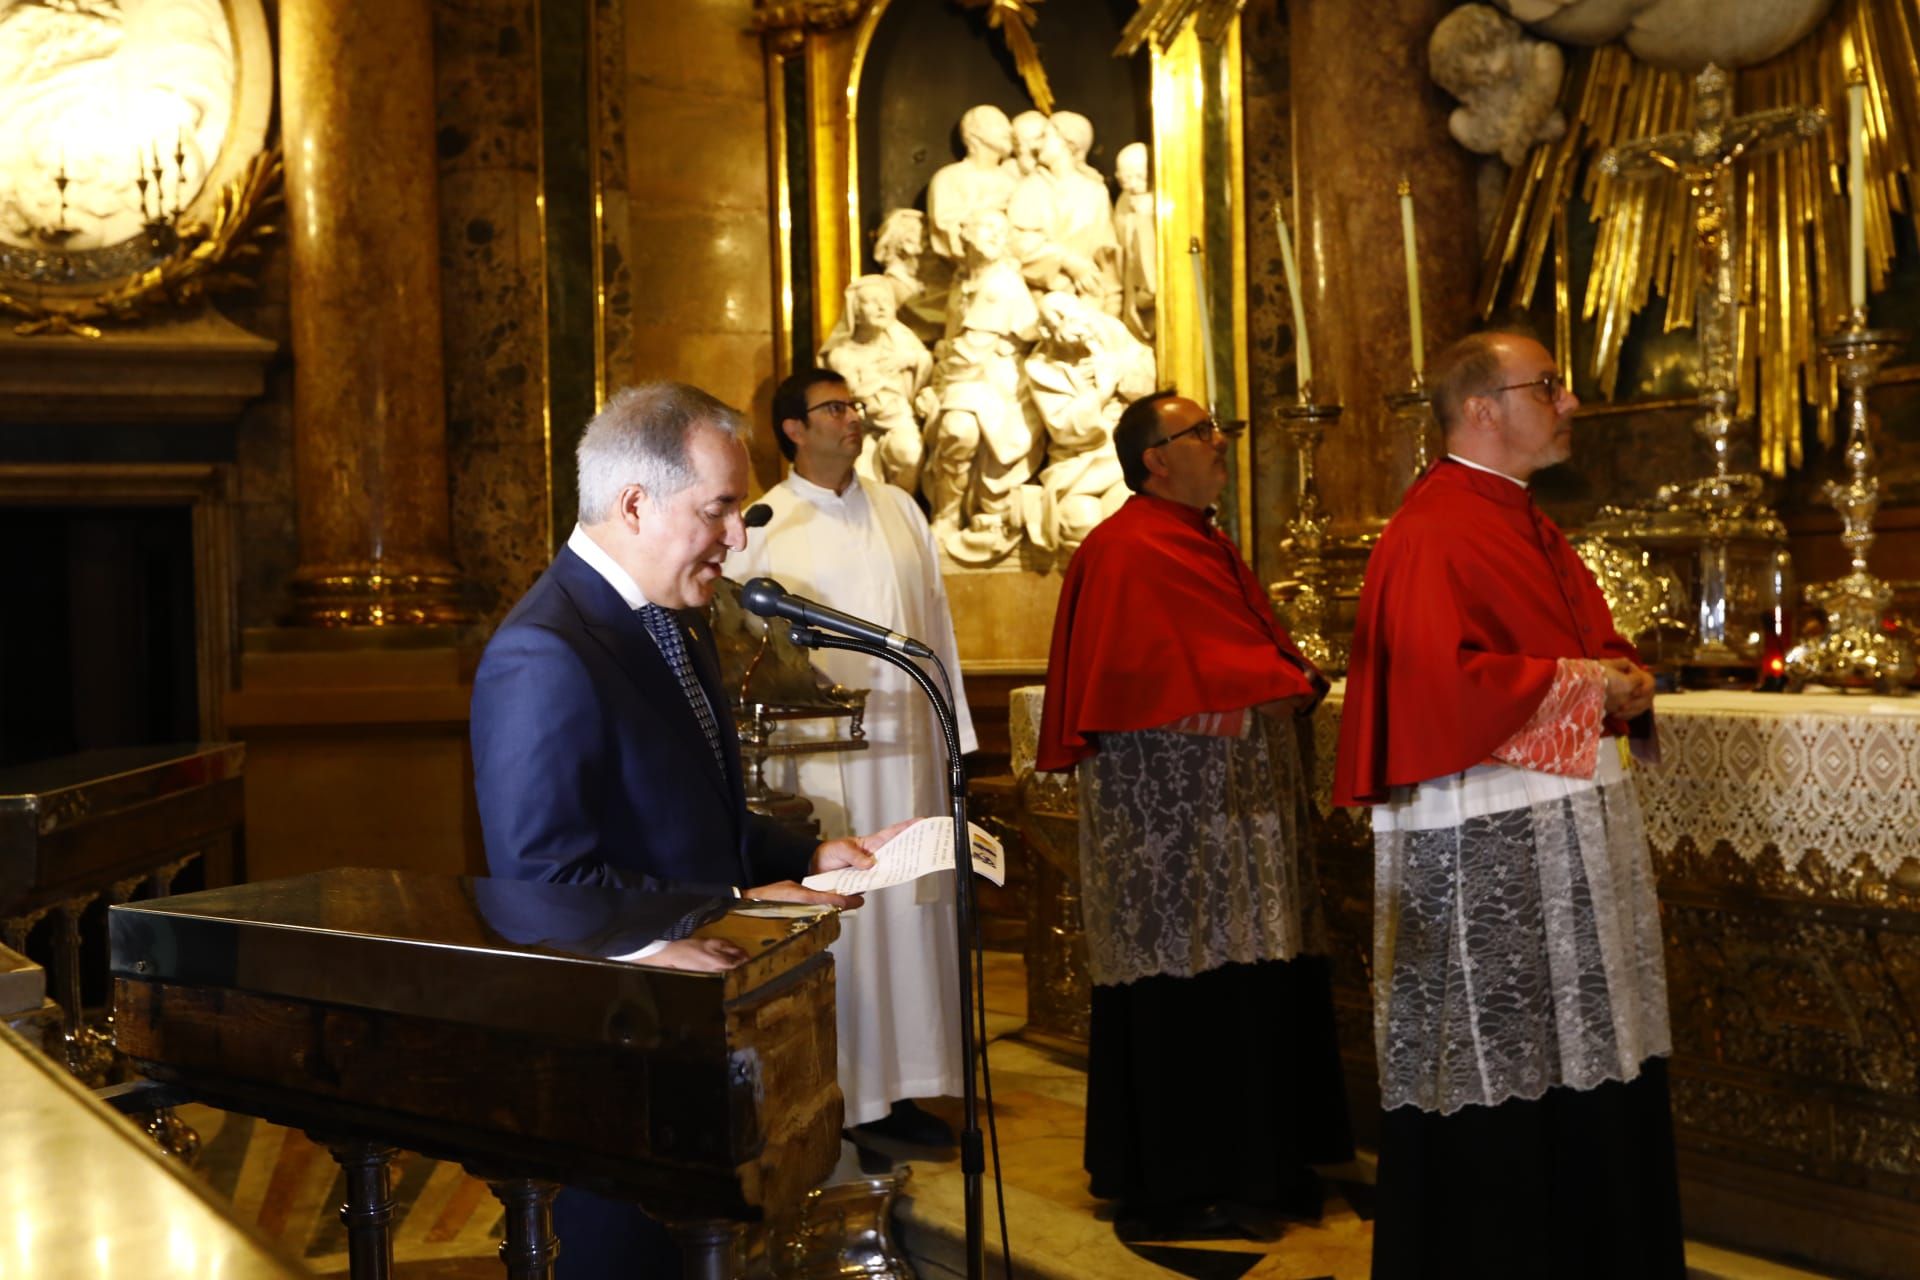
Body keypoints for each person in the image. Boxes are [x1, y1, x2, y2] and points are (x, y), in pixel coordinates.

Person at [471, 380, 907, 1280]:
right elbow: (542, 884)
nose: (739, 538)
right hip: (618, 1049)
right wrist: (712, 915)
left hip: (698, 1026)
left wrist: (800, 854)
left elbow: (688, 803)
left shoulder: (681, 618)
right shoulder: (544, 651)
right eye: (719, 511)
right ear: (635, 503)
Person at [1332, 331, 1680, 1280]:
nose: (1568, 403)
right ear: (1481, 409)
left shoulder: (1522, 516)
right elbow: (1439, 688)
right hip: (1487, 840)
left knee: (1582, 1055)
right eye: (1549, 387)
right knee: (1498, 1064)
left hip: (1565, 829)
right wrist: (1587, 686)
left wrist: (1622, 677)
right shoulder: (1433, 526)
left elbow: (1576, 644)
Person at [1035, 390, 1353, 1241]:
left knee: (1251, 980)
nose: (1222, 443)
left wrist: (1277, 689)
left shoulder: (1201, 538)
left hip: (1238, 810)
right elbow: (1129, 687)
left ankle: (1263, 1162)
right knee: (1190, 989)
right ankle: (1178, 1180)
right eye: (1202, 433)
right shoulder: (1125, 550)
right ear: (1154, 459)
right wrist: (1253, 698)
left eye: (1218, 427)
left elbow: (1243, 652)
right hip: (1171, 830)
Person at [725, 366, 978, 1145]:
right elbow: (736, 647)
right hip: (822, 765)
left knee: (914, 916)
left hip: (908, 749)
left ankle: (907, 1089)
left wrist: (958, 737)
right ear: (792, 429)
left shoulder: (902, 509)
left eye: (856, 406)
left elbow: (936, 630)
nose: (854, 419)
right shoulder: (765, 522)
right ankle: (848, 1095)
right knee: (856, 917)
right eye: (834, 409)